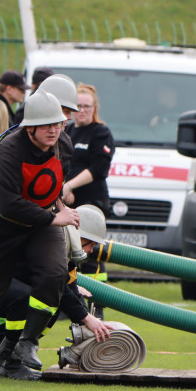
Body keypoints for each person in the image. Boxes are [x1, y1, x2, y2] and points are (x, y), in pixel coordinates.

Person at [0, 91, 84, 383]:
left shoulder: (62, 144)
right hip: (2, 225)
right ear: (30, 128)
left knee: (55, 274)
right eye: (47, 125)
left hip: (41, 224)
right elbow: (9, 203)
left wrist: (58, 209)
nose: (54, 130)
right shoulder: (9, 151)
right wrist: (55, 218)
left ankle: (26, 344)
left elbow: (56, 185)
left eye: (58, 123)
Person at [63, 83, 116, 284]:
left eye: (87, 106)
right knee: (70, 253)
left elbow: (98, 168)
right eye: (79, 106)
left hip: (92, 202)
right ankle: (70, 299)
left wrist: (69, 186)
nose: (82, 110)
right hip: (70, 203)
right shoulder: (66, 130)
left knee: (91, 255)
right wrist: (62, 188)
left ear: (94, 108)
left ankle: (97, 301)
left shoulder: (100, 132)